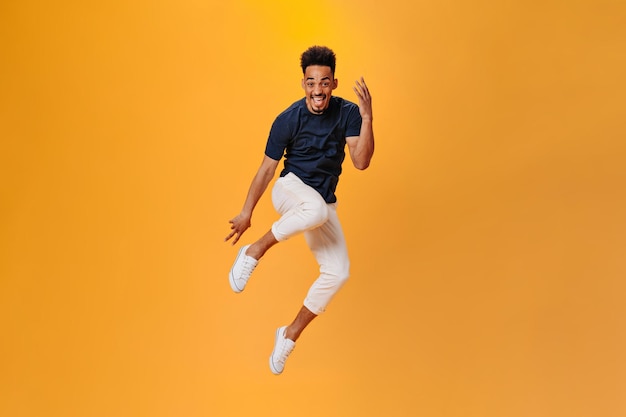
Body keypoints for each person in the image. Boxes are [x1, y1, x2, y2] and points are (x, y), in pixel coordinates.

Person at [224, 45, 374, 375]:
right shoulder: (288, 119)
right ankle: (255, 250)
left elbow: (361, 162)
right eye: (310, 82)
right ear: (303, 83)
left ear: (333, 83)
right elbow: (266, 170)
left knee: (338, 271)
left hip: (320, 204)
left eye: (323, 82)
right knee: (315, 209)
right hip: (289, 190)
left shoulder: (347, 113)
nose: (317, 90)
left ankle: (289, 335)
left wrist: (366, 119)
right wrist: (247, 212)